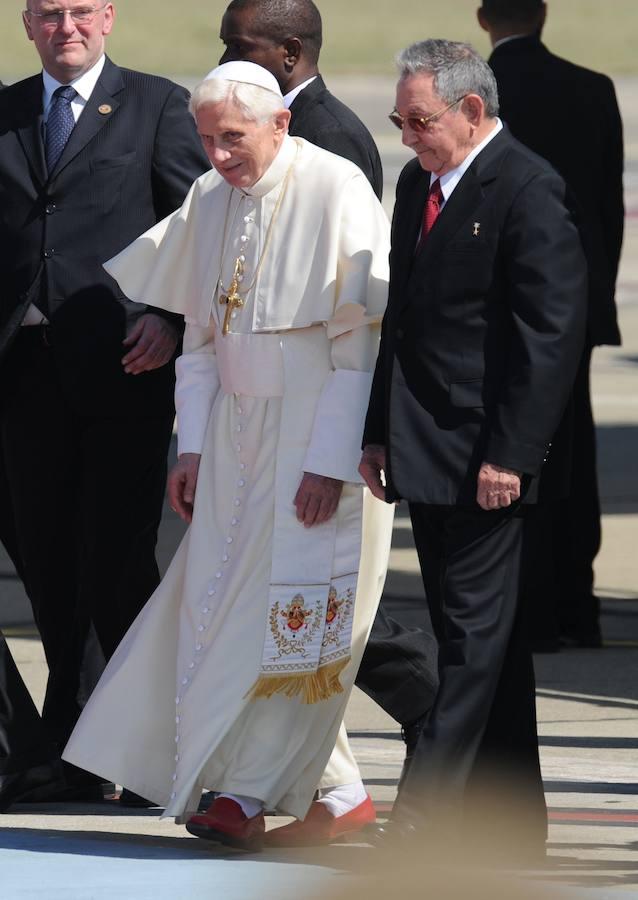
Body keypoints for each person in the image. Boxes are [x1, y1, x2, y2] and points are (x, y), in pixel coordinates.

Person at [64, 61, 394, 852]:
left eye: (233, 138)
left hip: (312, 433)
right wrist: (194, 445)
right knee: (215, 609)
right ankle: (342, 792)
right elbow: (202, 340)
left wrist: (328, 460)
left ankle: (243, 794)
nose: (217, 155)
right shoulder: (209, 197)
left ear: (281, 122)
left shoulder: (337, 184)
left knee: (283, 619)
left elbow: (360, 341)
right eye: (206, 139)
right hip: (235, 435)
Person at [359, 40, 587, 859]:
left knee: (467, 647)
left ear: (472, 111)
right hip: (425, 450)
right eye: (400, 119)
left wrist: (513, 456)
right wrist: (378, 430)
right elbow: (406, 318)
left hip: (488, 461)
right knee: (488, 647)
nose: (407, 134)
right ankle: (513, 828)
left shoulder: (527, 188)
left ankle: (424, 823)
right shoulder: (420, 181)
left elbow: (550, 338)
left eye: (418, 120)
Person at [218, 0, 438, 831]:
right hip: (258, 420)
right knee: (280, 604)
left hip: (314, 417)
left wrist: (333, 447)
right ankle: (335, 787)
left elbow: (349, 312)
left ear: (285, 52)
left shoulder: (331, 142)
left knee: (319, 605)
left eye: (238, 45)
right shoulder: (253, 128)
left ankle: (427, 705)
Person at [0, 0, 210, 803]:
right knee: (48, 561)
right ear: (27, 24)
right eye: (49, 15)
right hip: (25, 374)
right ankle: (80, 738)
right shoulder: (9, 111)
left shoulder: (157, 106)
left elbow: (198, 227)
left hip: (124, 370)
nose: (67, 28)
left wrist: (167, 317)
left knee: (119, 562)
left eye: (82, 11)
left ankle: (147, 745)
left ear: (110, 18)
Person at [478, 0, 624, 650]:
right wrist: (591, 303)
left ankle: (525, 607)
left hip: (495, 310)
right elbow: (607, 211)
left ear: (484, 18)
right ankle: (577, 607)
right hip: (578, 305)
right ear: (542, 14)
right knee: (574, 457)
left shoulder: (476, 94)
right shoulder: (592, 89)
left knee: (509, 449)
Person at [219, 0, 383, 199]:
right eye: (227, 46)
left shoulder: (331, 135)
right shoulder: (271, 119)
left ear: (291, 53)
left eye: (239, 47)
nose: (225, 60)